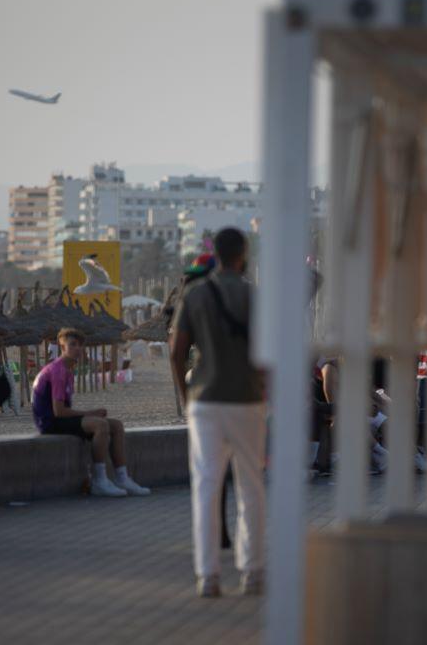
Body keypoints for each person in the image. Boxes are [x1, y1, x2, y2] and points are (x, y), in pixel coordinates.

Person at [171, 227, 266, 599]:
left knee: (207, 486)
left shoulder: (195, 295)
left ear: (215, 254)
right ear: (243, 254)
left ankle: (207, 576)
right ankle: (252, 572)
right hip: (248, 400)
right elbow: (270, 354)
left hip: (205, 402)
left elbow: (176, 351)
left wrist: (186, 397)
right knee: (251, 487)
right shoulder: (255, 296)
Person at [32, 327, 150, 497]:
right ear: (62, 347)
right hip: (49, 422)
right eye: (72, 345)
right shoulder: (57, 370)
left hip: (59, 418)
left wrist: (89, 414)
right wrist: (89, 413)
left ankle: (122, 478)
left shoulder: (68, 370)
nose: (78, 349)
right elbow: (58, 411)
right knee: (100, 425)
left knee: (116, 426)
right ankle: (99, 481)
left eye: (80, 345)